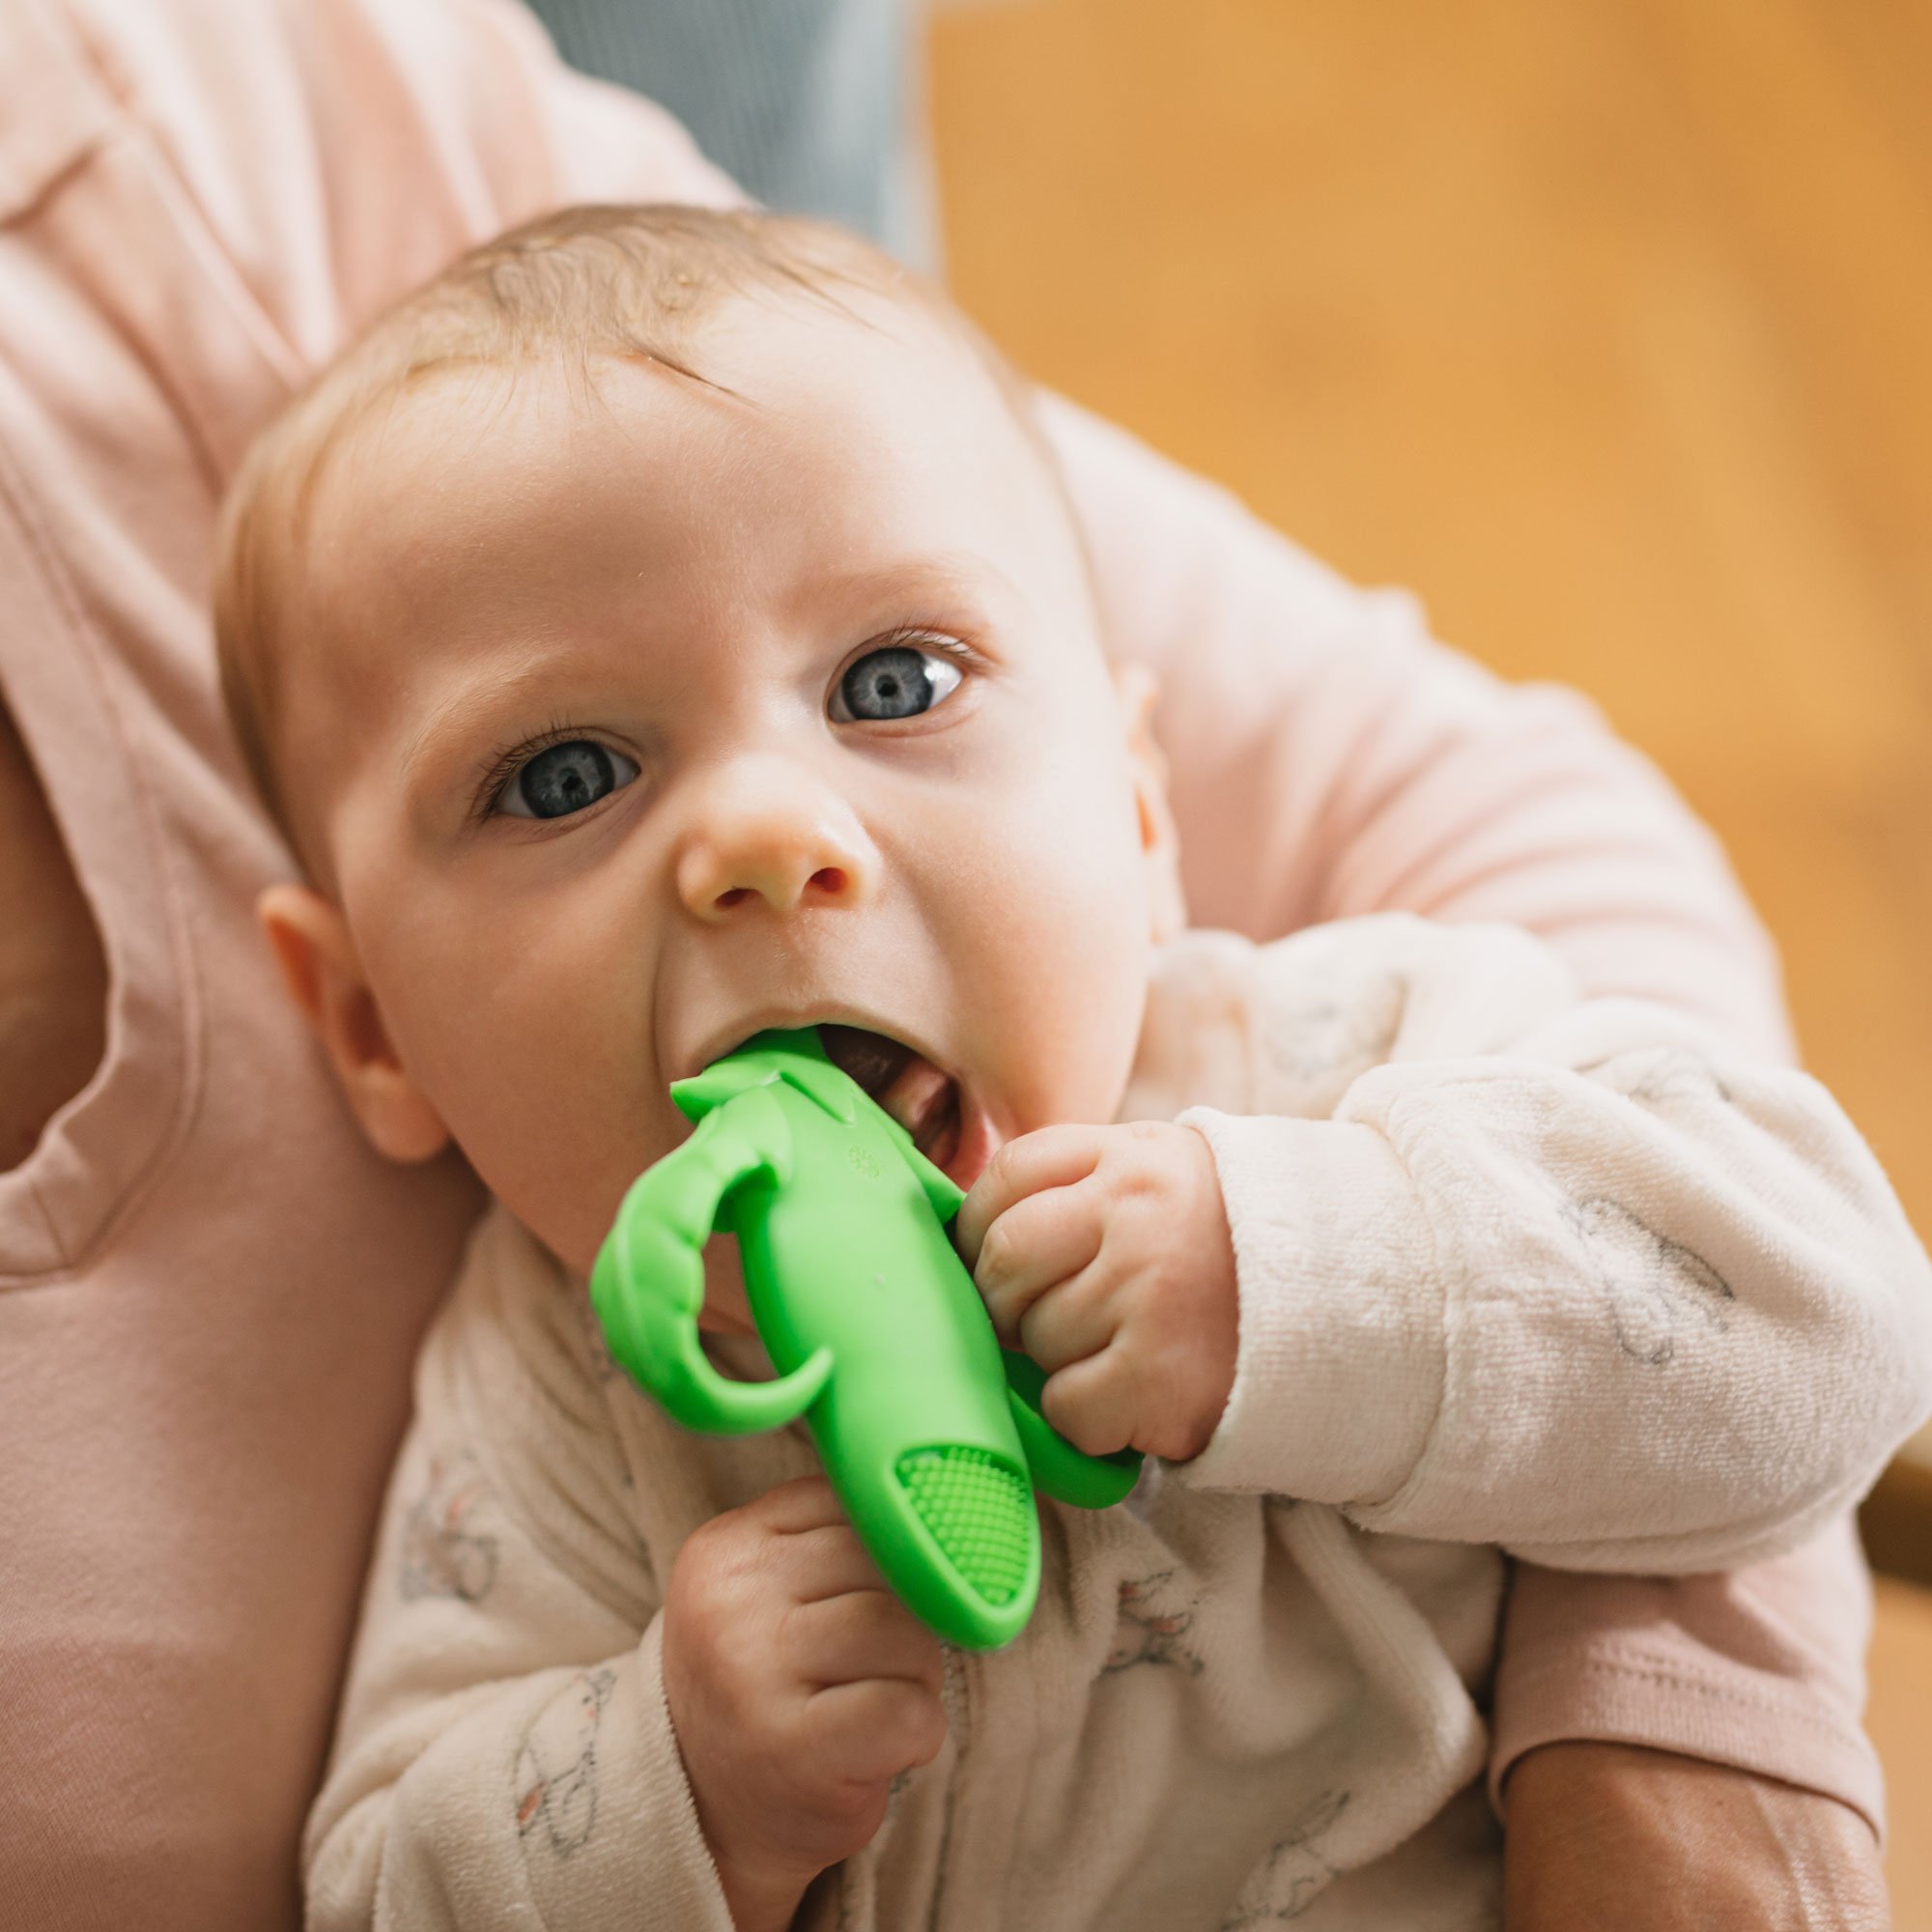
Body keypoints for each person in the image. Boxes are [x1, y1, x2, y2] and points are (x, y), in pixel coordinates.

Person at [0, 2, 1895, 1925]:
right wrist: (670, 1772)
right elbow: (382, 1897)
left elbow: (1830, 1318)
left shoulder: (1345, 1062)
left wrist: (1319, 1276)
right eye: (563, 774)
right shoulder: (548, 1430)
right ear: (368, 1028)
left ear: (1140, 809)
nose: (760, 840)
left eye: (889, 683)